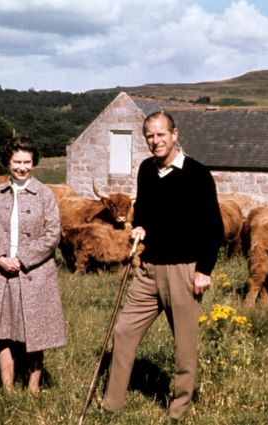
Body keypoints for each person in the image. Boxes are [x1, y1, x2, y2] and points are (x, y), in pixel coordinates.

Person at [101, 111, 224, 421]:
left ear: (174, 134)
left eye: (160, 134)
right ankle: (111, 404)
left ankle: (178, 410)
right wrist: (140, 226)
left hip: (183, 270)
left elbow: (214, 228)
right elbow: (143, 208)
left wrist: (204, 270)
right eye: (149, 136)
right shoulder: (145, 169)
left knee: (184, 347)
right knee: (124, 331)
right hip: (148, 269)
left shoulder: (196, 174)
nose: (155, 141)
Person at [0, 135, 67, 393]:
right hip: (0, 275)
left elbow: (52, 235)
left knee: (35, 332)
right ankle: (6, 389)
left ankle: (33, 388)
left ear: (34, 163)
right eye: (17, 161)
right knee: (3, 332)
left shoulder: (45, 195)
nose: (22, 167)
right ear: (8, 162)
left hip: (35, 274)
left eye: (27, 162)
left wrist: (24, 259)